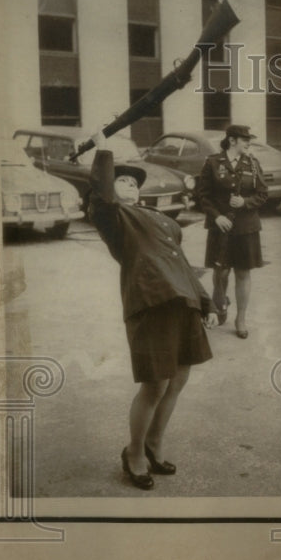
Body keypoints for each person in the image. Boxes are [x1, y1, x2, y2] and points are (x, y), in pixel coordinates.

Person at [87, 131, 218, 491]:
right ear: (112, 190)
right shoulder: (114, 218)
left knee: (178, 380)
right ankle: (134, 454)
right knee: (155, 384)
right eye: (121, 181)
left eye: (132, 181)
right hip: (150, 304)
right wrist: (103, 150)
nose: (128, 185)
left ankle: (154, 444)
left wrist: (206, 302)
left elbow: (183, 264)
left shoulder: (161, 219)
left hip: (184, 303)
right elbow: (98, 193)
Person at [197, 124, 268, 339]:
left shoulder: (253, 164)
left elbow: (263, 194)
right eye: (244, 139)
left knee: (243, 273)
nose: (248, 143)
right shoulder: (212, 162)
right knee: (221, 272)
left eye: (249, 139)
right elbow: (202, 195)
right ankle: (220, 304)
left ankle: (241, 318)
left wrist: (245, 202)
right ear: (232, 140)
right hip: (221, 227)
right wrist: (216, 216)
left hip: (246, 228)